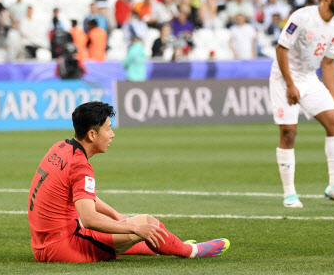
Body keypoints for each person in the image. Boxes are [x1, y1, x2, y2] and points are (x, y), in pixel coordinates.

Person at [28, 101, 230, 262]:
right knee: (147, 223)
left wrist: (115, 215)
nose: (112, 134)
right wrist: (134, 227)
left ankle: (166, 246)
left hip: (45, 241)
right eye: (108, 129)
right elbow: (89, 219)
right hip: (62, 247)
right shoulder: (80, 167)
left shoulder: (60, 147)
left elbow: (82, 196)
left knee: (119, 224)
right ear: (92, 134)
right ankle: (191, 251)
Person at [269, 0, 334, 209]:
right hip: (284, 76)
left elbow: (328, 63)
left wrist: (333, 98)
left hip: (309, 78)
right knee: (288, 132)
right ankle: (289, 194)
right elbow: (281, 49)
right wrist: (289, 84)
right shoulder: (302, 17)